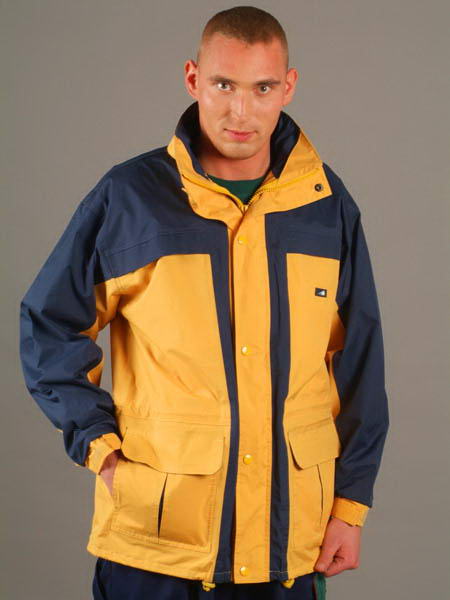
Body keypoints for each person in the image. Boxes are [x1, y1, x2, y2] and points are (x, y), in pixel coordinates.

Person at [19, 5, 389, 600]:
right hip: (157, 543)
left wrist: (351, 504)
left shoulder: (325, 204)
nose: (241, 112)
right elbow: (50, 326)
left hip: (287, 545)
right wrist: (101, 450)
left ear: (288, 87)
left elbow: (359, 366)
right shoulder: (131, 197)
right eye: (223, 85)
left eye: (262, 88)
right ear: (193, 80)